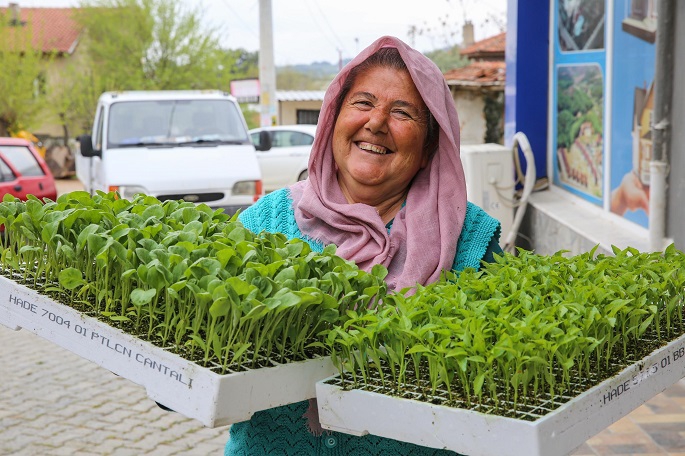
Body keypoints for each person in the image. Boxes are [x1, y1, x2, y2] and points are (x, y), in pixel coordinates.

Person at [225, 35, 501, 456]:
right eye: (363, 103)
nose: (377, 122)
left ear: (429, 147)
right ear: (334, 118)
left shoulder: (469, 240)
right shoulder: (266, 222)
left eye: (402, 112)